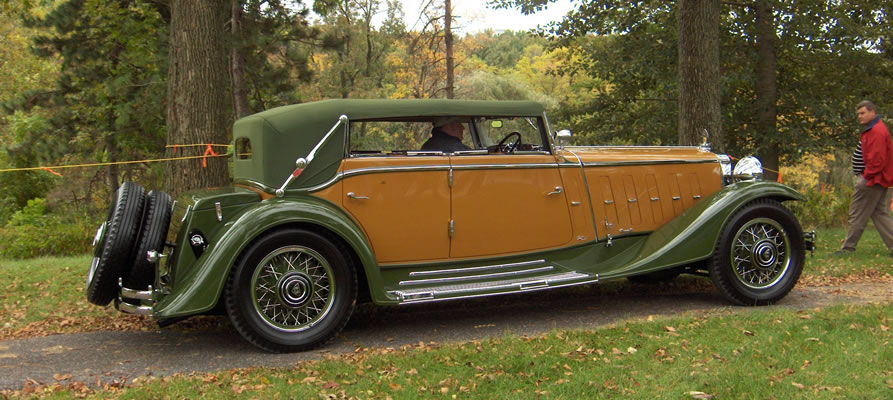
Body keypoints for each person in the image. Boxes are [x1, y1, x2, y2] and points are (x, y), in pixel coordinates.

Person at [833, 100, 893, 257]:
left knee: (856, 213)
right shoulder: (873, 129)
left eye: (862, 113)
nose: (859, 117)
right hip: (876, 179)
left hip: (872, 180)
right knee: (880, 214)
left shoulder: (877, 131)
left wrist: (866, 177)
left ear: (872, 112)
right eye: (858, 114)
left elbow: (878, 160)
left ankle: (847, 249)